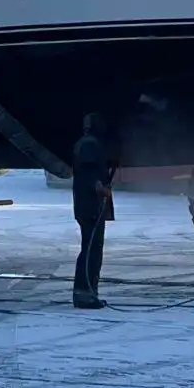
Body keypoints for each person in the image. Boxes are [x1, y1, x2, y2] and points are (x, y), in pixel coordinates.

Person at [71, 123, 113, 309]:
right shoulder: (89, 144)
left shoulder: (88, 143)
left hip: (90, 205)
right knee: (91, 250)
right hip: (90, 206)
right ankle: (84, 294)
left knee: (92, 248)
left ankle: (89, 292)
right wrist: (100, 187)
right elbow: (87, 174)